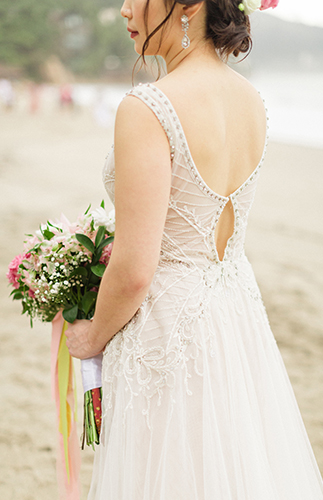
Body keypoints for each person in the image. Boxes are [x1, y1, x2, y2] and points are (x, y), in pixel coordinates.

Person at [65, 0, 323, 498]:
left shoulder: (147, 107)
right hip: (236, 319)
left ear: (187, 6)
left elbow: (137, 268)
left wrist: (92, 335)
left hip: (165, 330)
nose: (123, 10)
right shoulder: (253, 102)